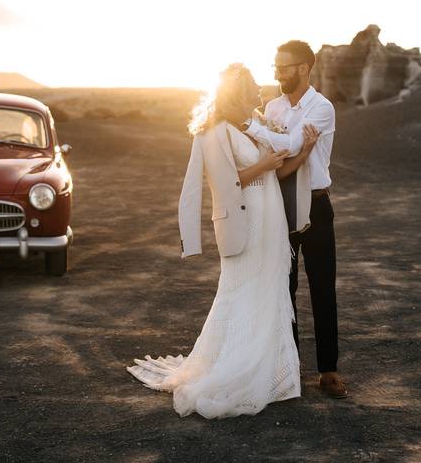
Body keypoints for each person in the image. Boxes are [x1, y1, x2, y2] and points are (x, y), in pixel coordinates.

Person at [127, 63, 318, 419]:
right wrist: (263, 165)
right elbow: (225, 182)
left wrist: (303, 152)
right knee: (242, 293)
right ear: (236, 93)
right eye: (252, 88)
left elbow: (279, 169)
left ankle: (276, 374)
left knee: (270, 291)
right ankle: (239, 370)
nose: (260, 93)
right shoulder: (216, 131)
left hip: (272, 218)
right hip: (247, 223)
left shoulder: (255, 126)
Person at [243, 40, 348, 399]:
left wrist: (254, 128)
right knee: (282, 287)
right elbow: (276, 149)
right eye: (275, 66)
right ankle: (288, 367)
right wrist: (268, 135)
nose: (277, 72)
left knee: (322, 288)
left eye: (283, 66)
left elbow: (287, 143)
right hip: (278, 201)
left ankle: (329, 371)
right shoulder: (271, 106)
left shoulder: (322, 108)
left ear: (304, 68)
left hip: (316, 205)